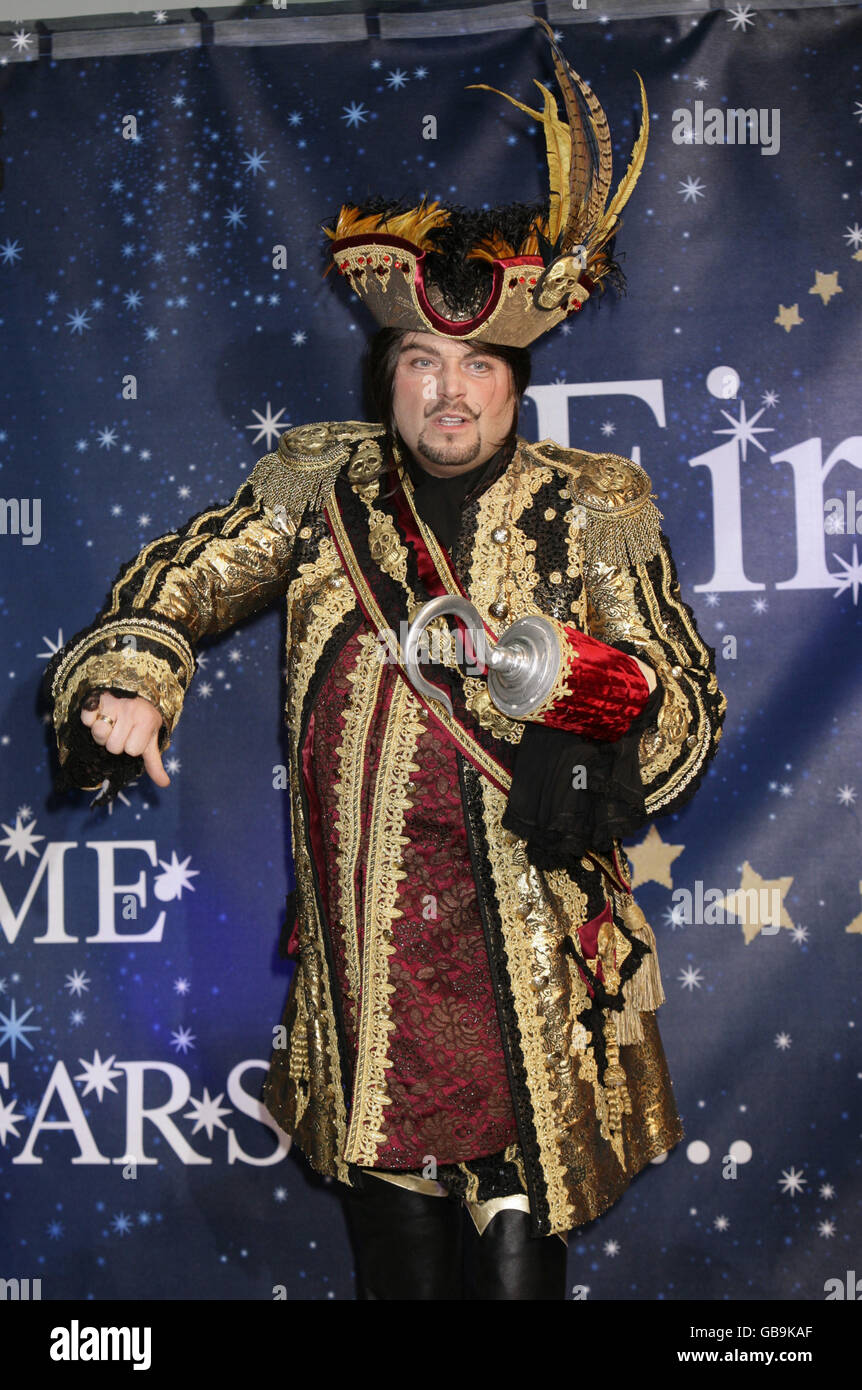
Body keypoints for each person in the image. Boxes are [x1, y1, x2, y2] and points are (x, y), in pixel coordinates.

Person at [44, 19, 726, 1300]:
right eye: (422, 362)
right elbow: (181, 581)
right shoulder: (321, 491)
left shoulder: (593, 505)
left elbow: (684, 703)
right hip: (372, 974)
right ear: (389, 373)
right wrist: (129, 678)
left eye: (476, 365)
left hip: (529, 962)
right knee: (398, 1277)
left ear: (516, 382)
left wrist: (583, 713)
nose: (448, 393)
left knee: (522, 1269)